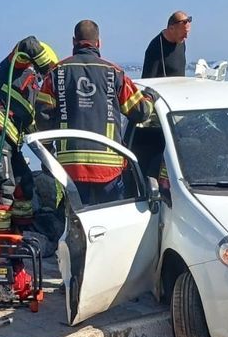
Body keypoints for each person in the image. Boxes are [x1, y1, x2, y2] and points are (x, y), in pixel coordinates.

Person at [36, 20, 153, 205]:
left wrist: (47, 155)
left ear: (74, 41)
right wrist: (149, 98)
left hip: (70, 168)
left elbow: (43, 117)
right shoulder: (114, 72)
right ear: (99, 42)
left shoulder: (56, 72)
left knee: (77, 224)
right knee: (111, 223)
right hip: (109, 169)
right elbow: (140, 112)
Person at [0, 36, 57, 232]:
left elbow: (32, 127)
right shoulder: (17, 66)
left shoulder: (32, 87)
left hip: (9, 139)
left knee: (24, 186)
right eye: (45, 73)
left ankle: (22, 238)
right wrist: (51, 71)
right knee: (3, 186)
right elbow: (28, 44)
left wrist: (48, 156)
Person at [142, 11, 191, 78]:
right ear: (171, 29)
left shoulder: (181, 41)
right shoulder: (155, 48)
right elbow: (146, 81)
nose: (186, 37)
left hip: (180, 87)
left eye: (187, 32)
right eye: (183, 33)